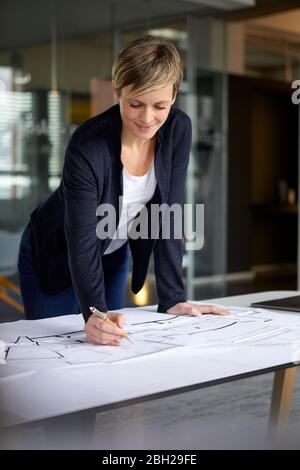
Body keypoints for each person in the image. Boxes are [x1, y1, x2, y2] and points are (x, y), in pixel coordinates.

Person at [18, 36, 229, 346]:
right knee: (57, 352)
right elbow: (82, 238)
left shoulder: (177, 129)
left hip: (112, 253)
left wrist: (173, 297)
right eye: (135, 104)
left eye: (160, 106)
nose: (147, 118)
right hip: (55, 253)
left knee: (110, 346)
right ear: (117, 92)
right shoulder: (87, 146)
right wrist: (93, 313)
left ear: (174, 95)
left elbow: (168, 211)